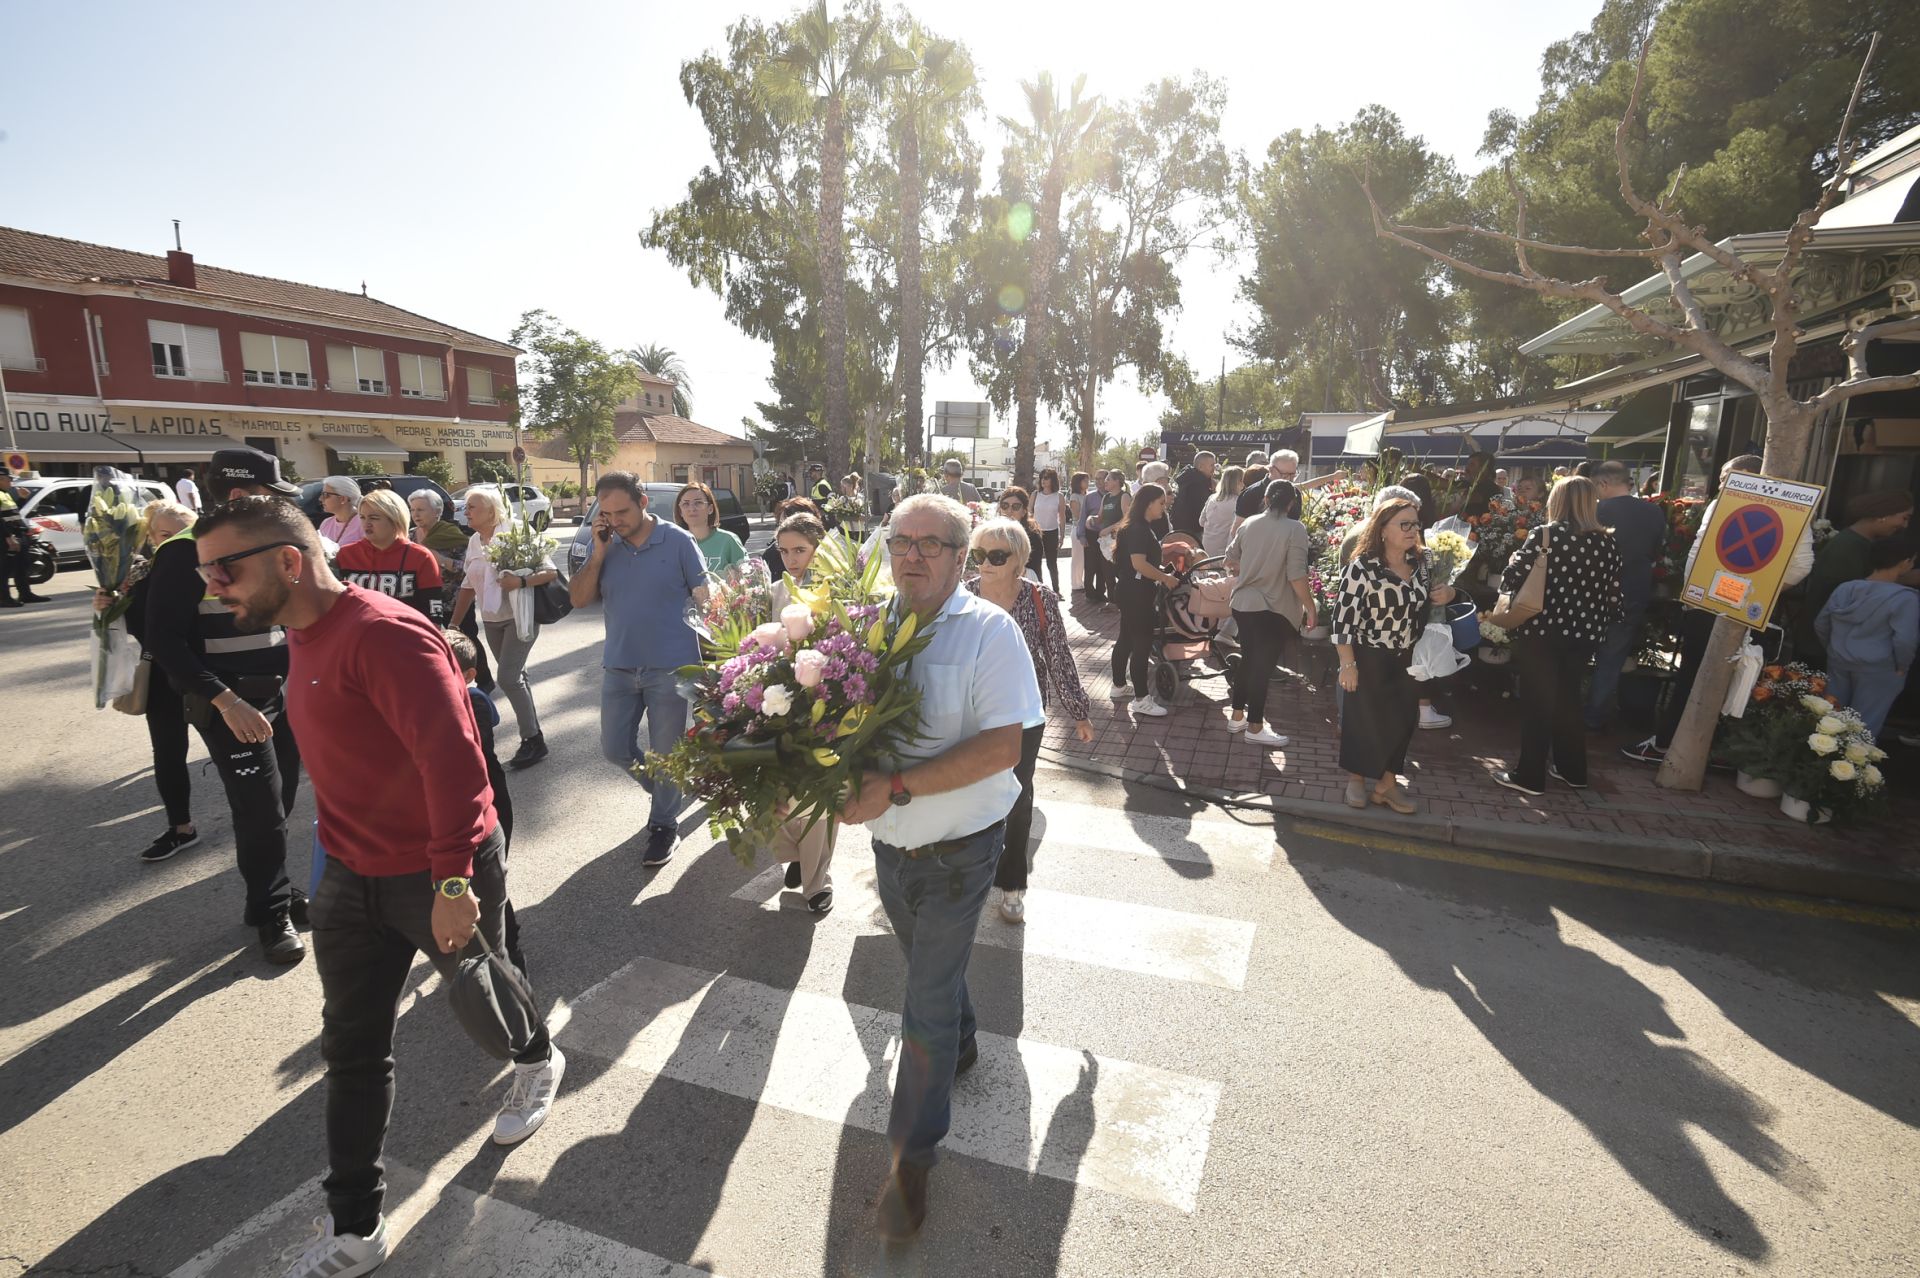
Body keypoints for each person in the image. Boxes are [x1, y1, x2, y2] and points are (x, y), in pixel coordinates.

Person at [186, 498, 560, 1278]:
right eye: (205, 571)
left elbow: (455, 762)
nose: (214, 585)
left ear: (289, 562)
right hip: (350, 875)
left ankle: (536, 1055)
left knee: (483, 996)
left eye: (226, 569)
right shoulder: (299, 629)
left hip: (437, 868)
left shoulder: (384, 635)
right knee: (352, 1047)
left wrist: (454, 878)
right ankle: (357, 1226)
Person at [836, 493, 1042, 1240]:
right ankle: (962, 1041)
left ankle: (910, 1164)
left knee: (920, 996)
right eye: (902, 541)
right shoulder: (866, 629)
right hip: (890, 846)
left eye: (932, 543)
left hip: (959, 850)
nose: (913, 554)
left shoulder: (990, 631)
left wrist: (893, 785)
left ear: (961, 559)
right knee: (928, 966)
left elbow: (1001, 749)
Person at [144, 446, 306, 962]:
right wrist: (226, 700)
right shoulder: (182, 552)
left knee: (280, 804)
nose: (274, 505)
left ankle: (268, 895)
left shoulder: (267, 542)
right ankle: (272, 911)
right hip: (230, 702)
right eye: (267, 494)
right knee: (259, 808)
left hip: (287, 697)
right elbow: (164, 640)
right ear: (239, 495)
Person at [1622, 455, 1814, 764]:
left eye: (1729, 477)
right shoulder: (1723, 502)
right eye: (1722, 477)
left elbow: (1801, 566)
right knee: (1696, 676)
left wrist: (1758, 593)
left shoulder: (1787, 510)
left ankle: (1674, 745)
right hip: (1705, 603)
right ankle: (1684, 745)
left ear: (1753, 476)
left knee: (1704, 678)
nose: (1722, 483)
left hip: (1728, 609)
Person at [570, 471, 709, 868]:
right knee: (614, 749)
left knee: (666, 753)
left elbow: (705, 598)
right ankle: (669, 792)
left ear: (643, 502)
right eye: (606, 513)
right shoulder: (604, 545)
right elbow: (578, 599)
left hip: (671, 667)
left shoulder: (678, 541)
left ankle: (664, 825)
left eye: (622, 511)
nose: (615, 520)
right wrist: (597, 553)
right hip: (619, 665)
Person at [966, 517, 1092, 923]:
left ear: (1018, 561)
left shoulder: (1039, 599)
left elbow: (1058, 656)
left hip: (1023, 714)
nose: (985, 563)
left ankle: (1012, 885)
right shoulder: (962, 596)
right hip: (971, 712)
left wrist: (1078, 712)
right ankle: (972, 874)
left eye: (996, 556)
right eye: (979, 554)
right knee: (972, 795)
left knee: (1018, 797)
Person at [1490, 477, 1622, 796]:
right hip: (1584, 633)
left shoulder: (1546, 535)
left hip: (1543, 630)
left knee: (1538, 702)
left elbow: (1513, 577)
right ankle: (1572, 770)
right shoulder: (1607, 541)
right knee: (1569, 701)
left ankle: (1530, 776)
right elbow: (1614, 589)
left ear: (1557, 501)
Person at [1332, 497, 1457, 814]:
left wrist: (1448, 593)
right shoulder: (1362, 568)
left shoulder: (1424, 562)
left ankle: (1387, 785)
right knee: (1364, 720)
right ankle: (1356, 780)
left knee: (1402, 722)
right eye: (1405, 524)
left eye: (1416, 523)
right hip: (1370, 656)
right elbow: (1343, 620)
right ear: (1383, 529)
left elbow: (1441, 594)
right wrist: (1348, 664)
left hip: (1411, 658)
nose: (1413, 530)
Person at [99, 499, 201, 861]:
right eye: (164, 535)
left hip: (209, 675)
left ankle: (257, 824)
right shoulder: (136, 575)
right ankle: (181, 828)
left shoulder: (212, 568)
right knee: (169, 754)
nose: (175, 541)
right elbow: (136, 629)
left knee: (233, 753)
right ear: (150, 538)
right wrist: (109, 608)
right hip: (161, 677)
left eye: (183, 533)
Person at [450, 486, 557, 771]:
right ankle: (535, 736)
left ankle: (532, 739)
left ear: (492, 510)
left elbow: (550, 572)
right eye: (467, 507)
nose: (466, 511)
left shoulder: (517, 532)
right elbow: (468, 585)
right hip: (492, 620)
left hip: (521, 617)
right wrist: (454, 624)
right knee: (516, 677)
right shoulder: (474, 540)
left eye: (472, 506)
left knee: (508, 678)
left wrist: (520, 582)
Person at [768, 512, 839, 913]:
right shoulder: (774, 589)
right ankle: (794, 854)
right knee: (775, 792)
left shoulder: (837, 588)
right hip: (775, 701)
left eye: (800, 550)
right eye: (784, 551)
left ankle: (817, 883)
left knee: (815, 796)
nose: (792, 559)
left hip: (824, 702)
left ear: (818, 548)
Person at [444, 626, 524, 973]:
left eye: (445, 669)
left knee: (489, 882)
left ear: (469, 674)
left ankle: (511, 955)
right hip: (464, 805)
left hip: (489, 805)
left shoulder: (474, 701)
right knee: (473, 881)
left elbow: (471, 750)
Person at [1225, 480, 1313, 747]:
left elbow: (1230, 557)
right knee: (1261, 668)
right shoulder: (1295, 529)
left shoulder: (1249, 523)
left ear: (1265, 497)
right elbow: (1297, 575)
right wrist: (1310, 606)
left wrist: (1250, 566)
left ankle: (1237, 716)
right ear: (1291, 503)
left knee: (1249, 661)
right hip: (1273, 607)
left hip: (1242, 603)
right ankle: (1255, 726)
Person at [1584, 460, 1667, 730]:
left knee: (1575, 654)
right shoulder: (1654, 513)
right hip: (1632, 591)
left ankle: (1566, 710)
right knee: (1611, 659)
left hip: (1590, 593)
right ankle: (1593, 717)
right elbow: (1655, 552)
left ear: (1603, 483)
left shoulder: (1594, 510)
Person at [1793, 490, 1915, 666]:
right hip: (1823, 646)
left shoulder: (1860, 543)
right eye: (1904, 518)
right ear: (1883, 514)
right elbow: (1853, 593)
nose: (1904, 525)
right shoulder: (1847, 546)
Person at [1816, 533, 1918, 740]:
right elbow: (1905, 640)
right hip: (1879, 668)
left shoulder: (1845, 589)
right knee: (1864, 726)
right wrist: (1902, 666)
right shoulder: (1905, 599)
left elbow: (1821, 623)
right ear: (1905, 562)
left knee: (1830, 718)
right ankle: (1849, 768)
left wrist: (1832, 648)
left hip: (1839, 660)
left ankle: (1819, 762)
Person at [1110, 482, 1181, 719]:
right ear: (1148, 503)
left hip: (1131, 590)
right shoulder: (1139, 529)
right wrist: (1164, 578)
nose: (1164, 507)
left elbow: (1140, 563)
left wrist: (1162, 573)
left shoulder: (1135, 527)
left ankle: (1119, 686)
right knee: (1140, 644)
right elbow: (1139, 564)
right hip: (1137, 593)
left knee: (1127, 640)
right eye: (1161, 503)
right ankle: (1141, 699)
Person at [409, 489, 489, 688]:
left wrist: (441, 559)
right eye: (412, 510)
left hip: (454, 598)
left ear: (437, 512)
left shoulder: (453, 534)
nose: (416, 514)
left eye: (421, 510)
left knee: (467, 638)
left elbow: (468, 569)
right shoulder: (409, 536)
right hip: (424, 599)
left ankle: (485, 680)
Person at [335, 489, 442, 619]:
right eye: (362, 517)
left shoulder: (420, 557)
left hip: (405, 635)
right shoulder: (345, 554)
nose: (366, 523)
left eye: (374, 518)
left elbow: (433, 611)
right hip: (357, 635)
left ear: (395, 519)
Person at [1237, 449, 1343, 521]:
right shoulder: (1250, 494)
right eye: (1285, 475)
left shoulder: (1294, 493)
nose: (1290, 480)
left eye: (1293, 475)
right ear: (1271, 470)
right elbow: (1237, 531)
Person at [673, 481, 746, 573]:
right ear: (680, 511)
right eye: (686, 504)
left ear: (710, 509)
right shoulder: (674, 545)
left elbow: (747, 578)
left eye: (698, 503)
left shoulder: (728, 541)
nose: (692, 509)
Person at [0, 469, 47, 605]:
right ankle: (4, 598)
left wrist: (22, 499)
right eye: (9, 479)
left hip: (17, 533)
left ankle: (25, 594)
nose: (11, 482)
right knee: (5, 568)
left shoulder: (5, 494)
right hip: (6, 536)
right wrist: (8, 537)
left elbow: (12, 514)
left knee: (22, 566)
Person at [994, 486, 1046, 579]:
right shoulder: (993, 534)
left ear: (1024, 512)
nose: (1009, 511)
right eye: (1005, 505)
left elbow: (1032, 572)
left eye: (1016, 507)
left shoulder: (1032, 537)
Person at [1030, 468, 1066, 592]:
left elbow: (1062, 516)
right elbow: (1029, 513)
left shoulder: (1059, 496)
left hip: (1052, 531)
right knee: (1036, 561)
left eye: (1046, 478)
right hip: (1036, 532)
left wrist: (1062, 535)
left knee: (1052, 563)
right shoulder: (1035, 495)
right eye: (1041, 478)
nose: (1043, 481)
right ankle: (1039, 589)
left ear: (1052, 480)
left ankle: (1056, 590)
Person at [1200, 465, 1246, 558]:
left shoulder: (1212, 498)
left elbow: (1201, 522)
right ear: (1239, 482)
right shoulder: (1239, 502)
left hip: (1206, 545)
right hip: (1224, 548)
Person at [1169, 450, 1216, 537]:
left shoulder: (1188, 478)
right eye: (1212, 465)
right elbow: (1204, 508)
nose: (1214, 468)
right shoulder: (1198, 483)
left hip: (1181, 527)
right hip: (1193, 530)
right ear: (1201, 467)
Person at [317, 476, 366, 548]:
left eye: (326, 495)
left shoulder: (365, 524)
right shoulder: (326, 524)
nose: (320, 499)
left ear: (343, 499)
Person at [1068, 471, 1091, 593]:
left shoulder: (1087, 496)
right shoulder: (1074, 497)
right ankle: (1076, 583)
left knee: (1085, 558)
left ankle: (1083, 582)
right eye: (1085, 480)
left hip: (1087, 530)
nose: (1087, 483)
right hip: (1078, 529)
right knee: (1077, 558)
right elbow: (1077, 515)